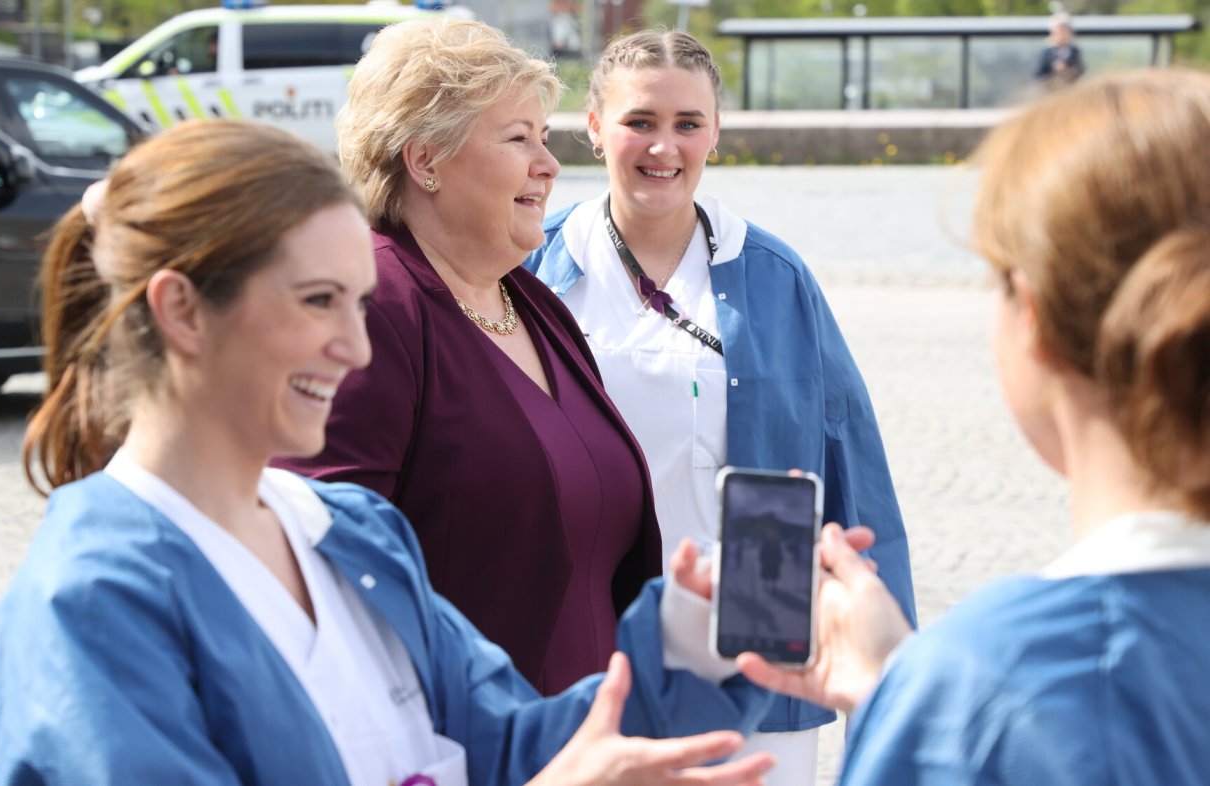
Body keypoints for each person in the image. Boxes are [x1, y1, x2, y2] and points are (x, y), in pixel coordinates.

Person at [0, 118, 795, 785]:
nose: (354, 347)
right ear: (182, 309)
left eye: (359, 303)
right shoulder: (94, 604)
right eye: (317, 302)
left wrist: (702, 635)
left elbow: (509, 739)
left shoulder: (345, 529)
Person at [740, 68, 1210, 784]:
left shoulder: (991, 684)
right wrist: (901, 684)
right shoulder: (973, 688)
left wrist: (921, 709)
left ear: (1034, 318)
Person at [524, 30, 916, 786]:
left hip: (751, 645)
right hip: (579, 640)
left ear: (716, 134)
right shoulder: (533, 267)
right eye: (640, 121)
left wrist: (892, 684)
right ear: (595, 126)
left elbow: (853, 467)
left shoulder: (773, 276)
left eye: (687, 124)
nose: (662, 147)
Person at [273, 17, 662, 696]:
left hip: (583, 738)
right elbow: (326, 559)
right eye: (518, 140)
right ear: (425, 162)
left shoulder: (534, 303)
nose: (549, 165)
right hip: (458, 744)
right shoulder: (370, 307)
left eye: (544, 139)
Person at [1034, 13, 1084, 85]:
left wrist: (1068, 71)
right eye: (1060, 30)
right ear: (1053, 32)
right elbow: (1038, 74)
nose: (1062, 34)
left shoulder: (1075, 52)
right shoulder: (1047, 53)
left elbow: (1081, 72)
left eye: (1065, 30)